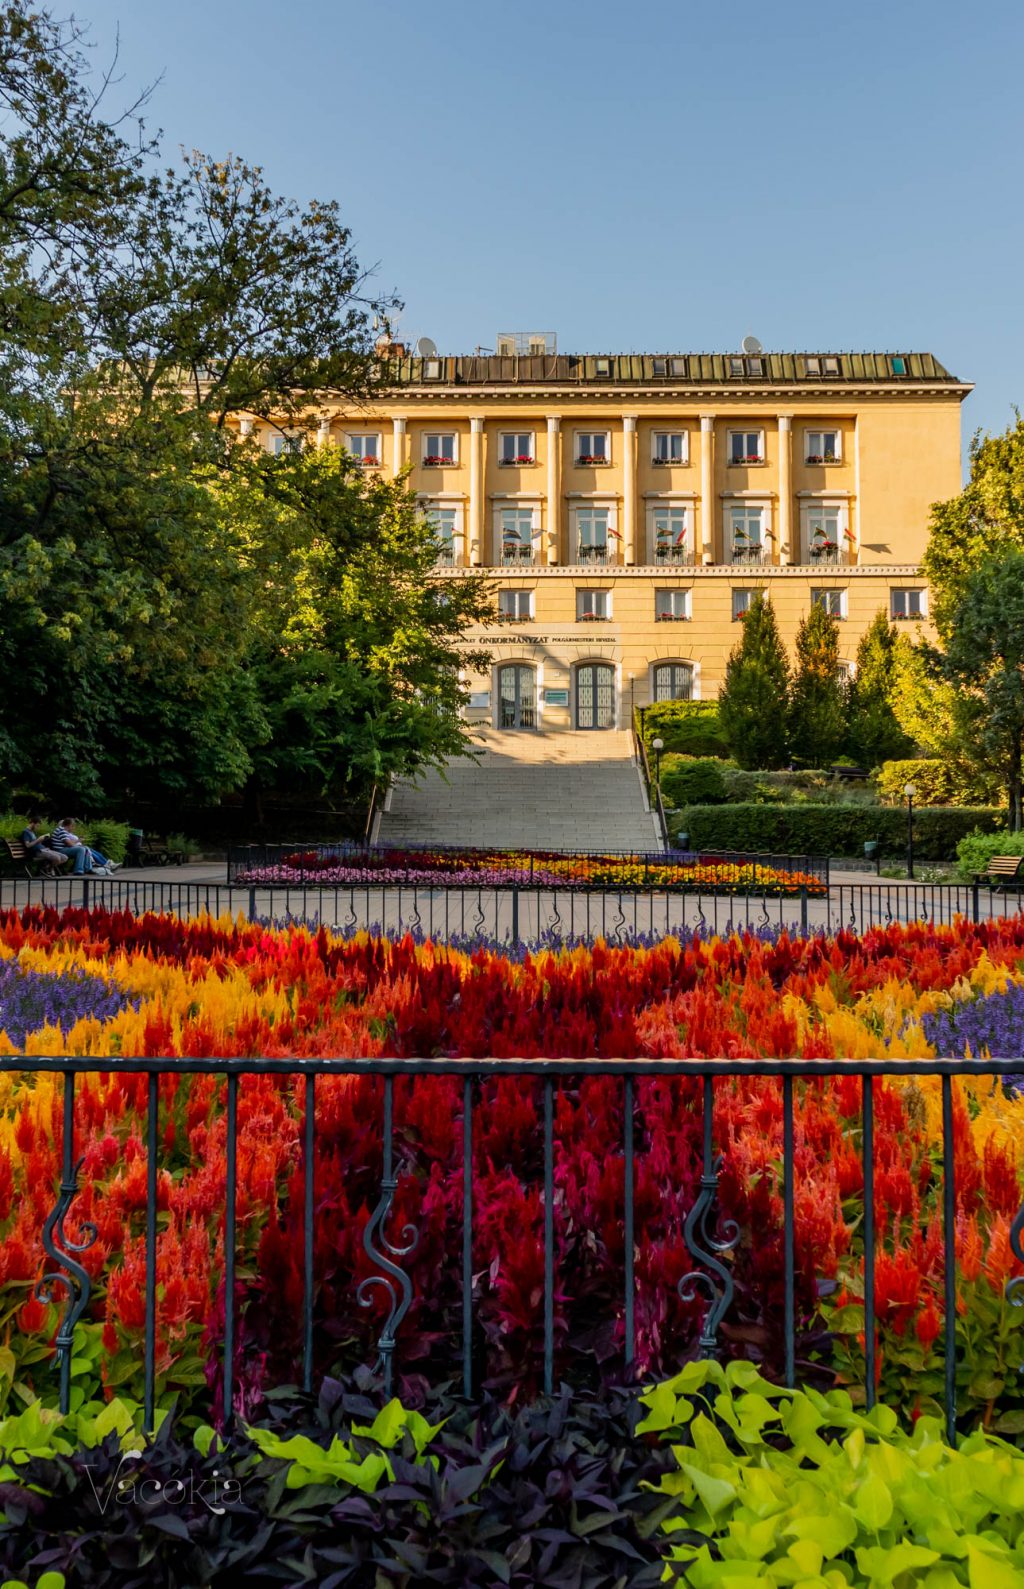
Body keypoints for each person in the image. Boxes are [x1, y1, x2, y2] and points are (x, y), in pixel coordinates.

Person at [49, 818, 122, 877]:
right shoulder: (62, 831)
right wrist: (78, 841)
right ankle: (78, 870)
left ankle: (105, 864)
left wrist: (77, 842)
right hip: (60, 850)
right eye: (73, 826)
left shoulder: (62, 830)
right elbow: (69, 844)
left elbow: (69, 843)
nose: (73, 828)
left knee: (84, 849)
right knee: (81, 849)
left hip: (62, 849)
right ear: (69, 825)